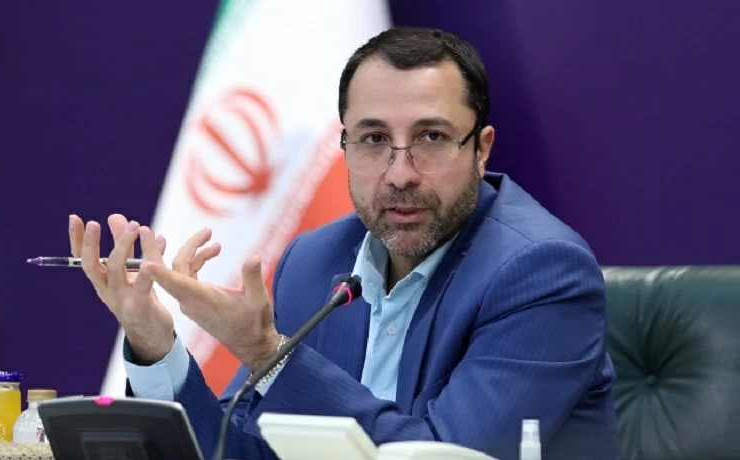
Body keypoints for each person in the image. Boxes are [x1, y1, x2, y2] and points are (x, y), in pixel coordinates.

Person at [69, 27, 619, 460]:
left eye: (431, 137)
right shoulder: (313, 262)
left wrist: (266, 352)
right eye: (374, 139)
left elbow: (447, 456)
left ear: (481, 149)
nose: (400, 174)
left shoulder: (542, 273)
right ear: (345, 146)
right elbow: (241, 449)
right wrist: (156, 346)